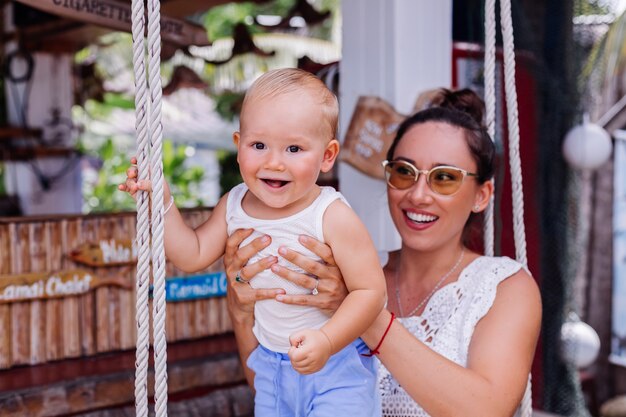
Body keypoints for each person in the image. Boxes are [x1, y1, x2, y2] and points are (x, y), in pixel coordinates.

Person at [225, 88, 542, 417]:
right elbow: (276, 392)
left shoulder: (504, 287)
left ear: (482, 195)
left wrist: (362, 310)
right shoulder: (333, 271)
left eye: (444, 178)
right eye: (404, 172)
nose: (418, 195)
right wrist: (241, 309)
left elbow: (487, 411)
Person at [120, 68, 387, 416]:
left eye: (294, 148)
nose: (273, 162)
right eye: (258, 145)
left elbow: (371, 292)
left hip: (335, 367)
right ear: (238, 145)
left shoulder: (331, 215)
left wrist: (327, 340)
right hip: (271, 369)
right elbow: (192, 254)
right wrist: (163, 202)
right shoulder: (234, 205)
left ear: (327, 155)